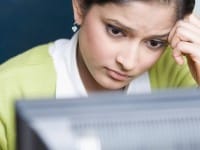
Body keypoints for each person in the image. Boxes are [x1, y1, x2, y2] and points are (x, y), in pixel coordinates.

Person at [0, 0, 200, 149]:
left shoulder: (183, 69)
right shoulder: (8, 89)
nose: (128, 62)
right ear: (79, 7)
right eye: (115, 31)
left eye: (154, 43)